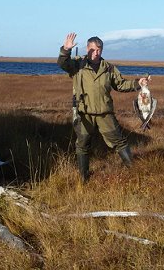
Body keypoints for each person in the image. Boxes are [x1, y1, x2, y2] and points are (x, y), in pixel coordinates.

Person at [57, 33, 149, 182]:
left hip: (105, 113)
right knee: (82, 145)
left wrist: (138, 83)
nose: (96, 53)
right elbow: (62, 64)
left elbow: (120, 84)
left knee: (119, 142)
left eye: (99, 50)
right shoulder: (77, 65)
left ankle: (134, 172)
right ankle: (83, 178)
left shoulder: (109, 68)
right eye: (93, 49)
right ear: (87, 48)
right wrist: (65, 50)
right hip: (83, 113)